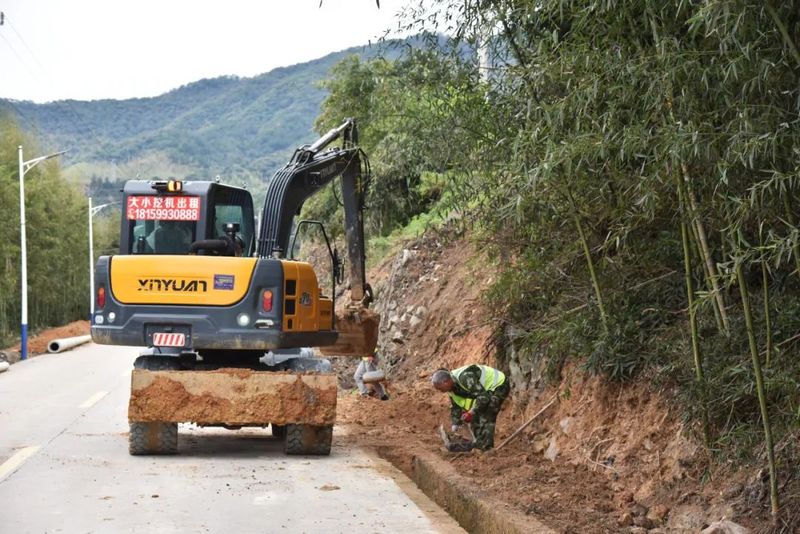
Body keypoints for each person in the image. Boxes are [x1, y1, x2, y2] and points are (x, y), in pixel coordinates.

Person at [431, 364, 509, 451]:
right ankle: (479, 443)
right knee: (476, 415)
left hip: (498, 385)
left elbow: (483, 397)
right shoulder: (451, 389)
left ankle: (486, 447)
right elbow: (456, 406)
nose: (440, 391)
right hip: (485, 391)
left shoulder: (465, 377)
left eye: (440, 388)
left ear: (445, 382)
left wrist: (471, 412)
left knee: (488, 411)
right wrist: (455, 425)